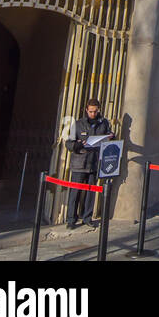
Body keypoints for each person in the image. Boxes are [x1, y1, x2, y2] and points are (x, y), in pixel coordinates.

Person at [64, 98, 113, 229]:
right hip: (80, 162)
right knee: (75, 192)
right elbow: (68, 143)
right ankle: (71, 219)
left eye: (95, 111)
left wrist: (111, 137)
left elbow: (109, 138)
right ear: (86, 110)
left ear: (99, 110)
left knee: (91, 192)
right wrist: (78, 145)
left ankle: (87, 217)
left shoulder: (104, 123)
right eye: (90, 111)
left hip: (94, 162)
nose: (92, 114)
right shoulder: (78, 124)